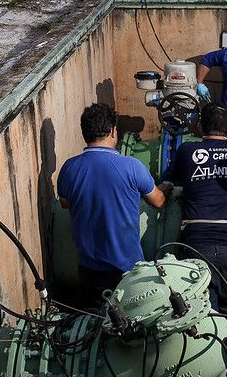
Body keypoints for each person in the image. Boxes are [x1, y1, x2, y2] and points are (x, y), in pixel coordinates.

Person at [57, 103, 171, 303]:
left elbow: (65, 203)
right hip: (127, 269)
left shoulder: (69, 168)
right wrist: (166, 187)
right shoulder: (132, 167)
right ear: (112, 131)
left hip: (88, 268)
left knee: (97, 322)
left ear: (84, 133)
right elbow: (158, 201)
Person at [169, 103, 227, 331]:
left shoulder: (186, 151)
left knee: (201, 313)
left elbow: (174, 179)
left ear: (200, 126)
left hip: (195, 243)